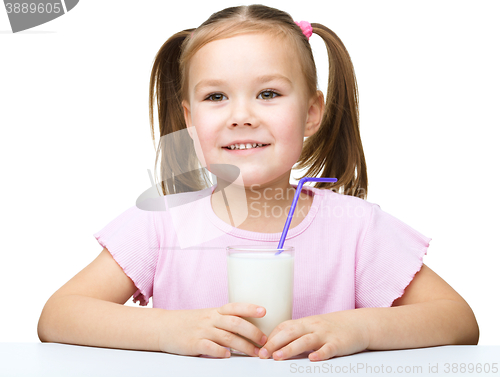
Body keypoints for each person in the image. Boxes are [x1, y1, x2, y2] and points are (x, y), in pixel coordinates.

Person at [37, 4, 479, 362]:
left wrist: (357, 328)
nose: (241, 115)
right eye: (215, 97)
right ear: (191, 120)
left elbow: (459, 320)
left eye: (268, 93)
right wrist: (170, 328)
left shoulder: (355, 228)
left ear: (311, 112)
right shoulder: (162, 223)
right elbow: (58, 316)